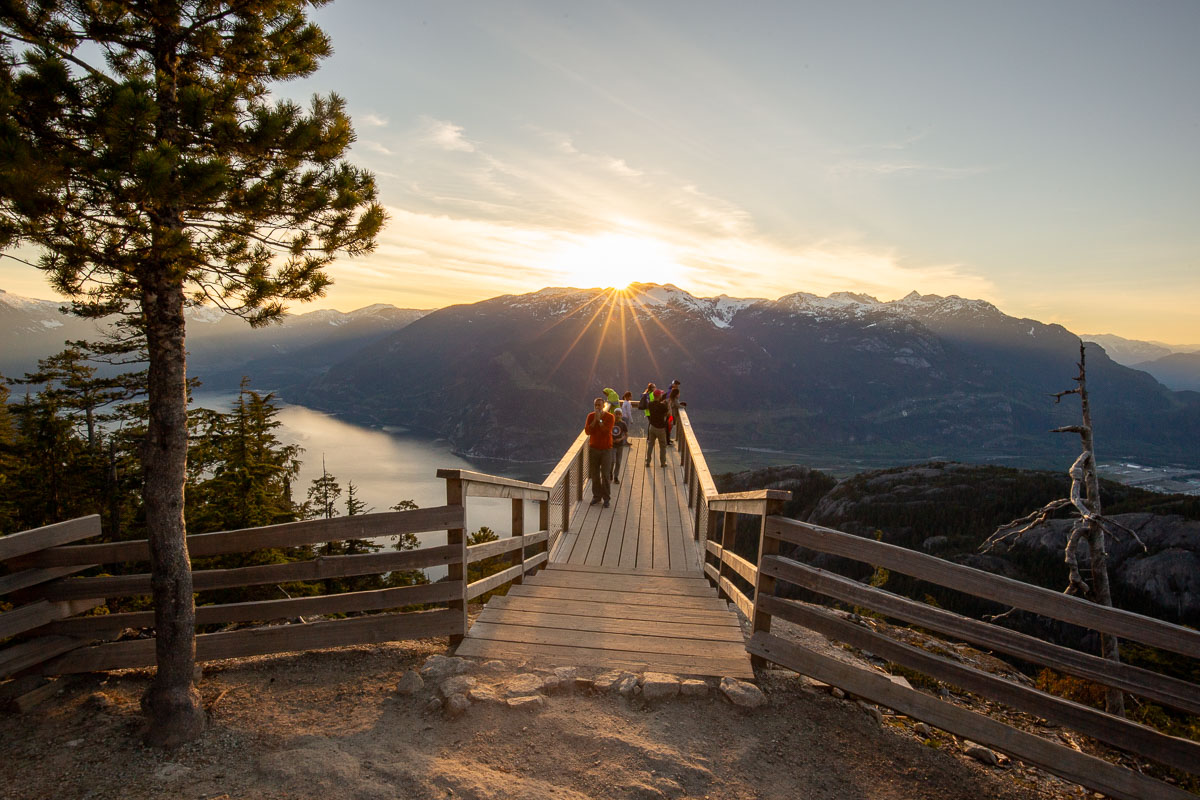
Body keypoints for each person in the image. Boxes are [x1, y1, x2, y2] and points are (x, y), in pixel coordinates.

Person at [584, 397, 614, 508]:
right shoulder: (590, 416)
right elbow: (587, 431)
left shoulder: (610, 417)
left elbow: (606, 431)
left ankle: (606, 498)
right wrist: (594, 421)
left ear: (603, 406)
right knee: (595, 475)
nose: (597, 407)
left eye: (599, 405)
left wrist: (600, 420)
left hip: (606, 450)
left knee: (605, 475)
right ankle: (596, 496)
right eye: (596, 405)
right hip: (594, 449)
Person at [644, 389, 670, 468]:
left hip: (652, 426)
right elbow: (668, 414)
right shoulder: (662, 406)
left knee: (650, 445)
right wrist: (667, 405)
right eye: (661, 394)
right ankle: (663, 463)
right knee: (662, 446)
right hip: (660, 428)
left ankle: (648, 461)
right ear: (659, 396)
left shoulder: (650, 404)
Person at [610, 408, 628, 482]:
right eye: (616, 414)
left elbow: (626, 434)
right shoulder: (611, 422)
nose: (617, 416)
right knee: (612, 461)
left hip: (620, 445)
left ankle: (616, 476)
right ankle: (610, 472)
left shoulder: (623, 424)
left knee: (618, 462)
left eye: (619, 414)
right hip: (612, 445)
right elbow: (602, 421)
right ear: (613, 414)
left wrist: (620, 439)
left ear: (621, 415)